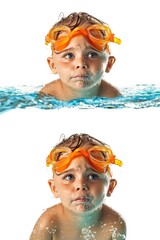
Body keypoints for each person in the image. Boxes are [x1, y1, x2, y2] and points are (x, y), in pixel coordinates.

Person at [29, 133, 126, 240]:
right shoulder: (48, 224)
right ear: (54, 188)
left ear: (110, 187)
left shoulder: (114, 225)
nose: (81, 185)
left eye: (93, 176)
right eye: (69, 177)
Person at [40, 12, 122, 101]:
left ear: (109, 64)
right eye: (69, 55)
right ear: (53, 65)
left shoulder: (112, 95)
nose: (80, 63)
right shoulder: (48, 94)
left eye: (92, 55)